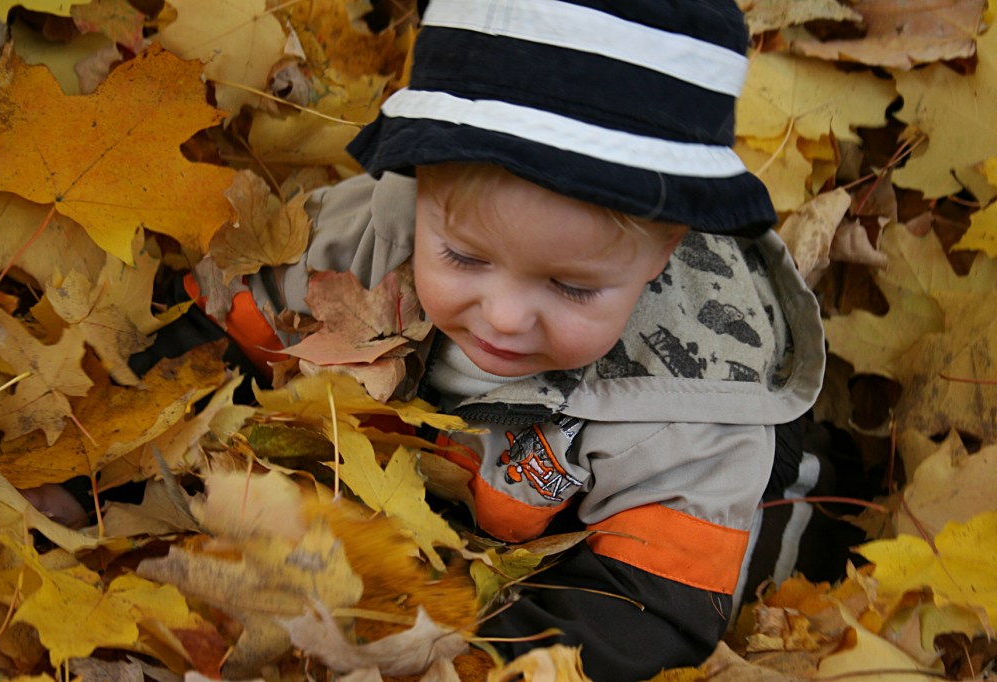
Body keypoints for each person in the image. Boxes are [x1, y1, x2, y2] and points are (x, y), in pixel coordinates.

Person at [140, 1, 827, 679]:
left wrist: (460, 663)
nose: (503, 317)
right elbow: (218, 326)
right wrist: (127, 457)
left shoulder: (688, 406)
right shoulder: (363, 244)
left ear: (662, 253)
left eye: (570, 287)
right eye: (464, 257)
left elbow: (644, 614)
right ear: (421, 187)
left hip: (664, 553)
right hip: (454, 521)